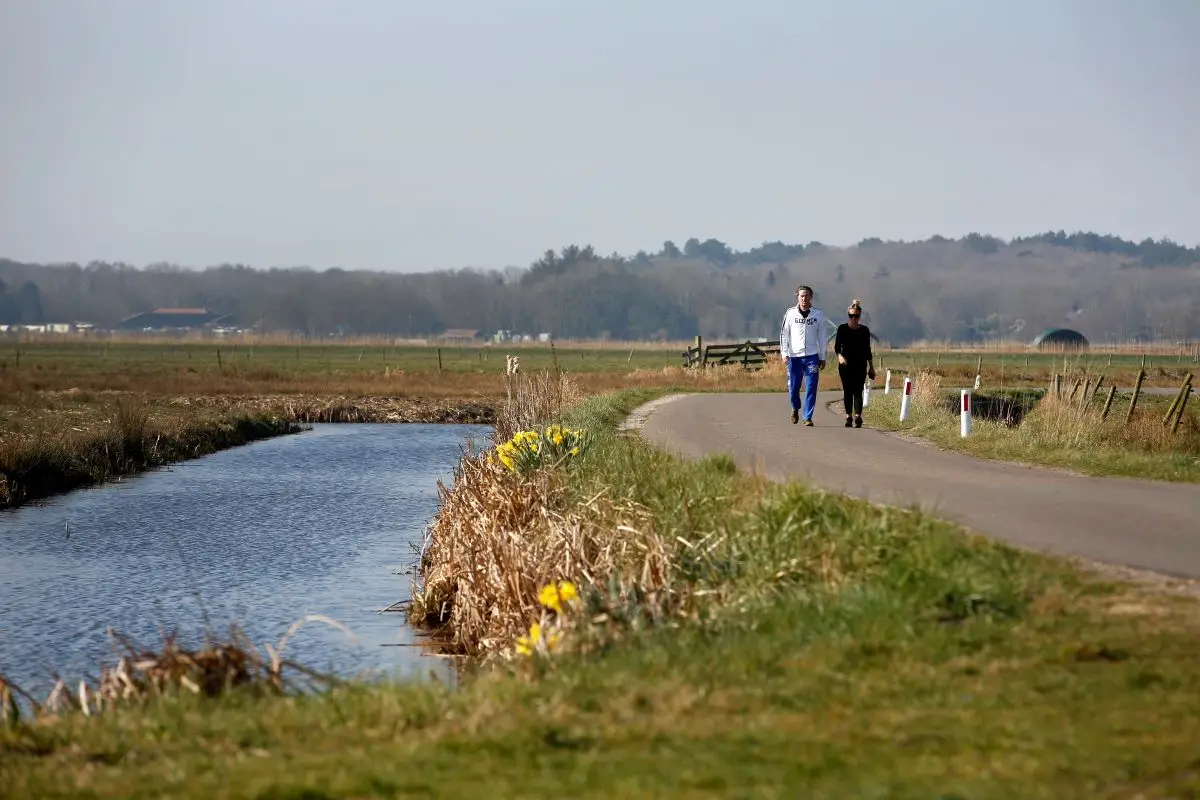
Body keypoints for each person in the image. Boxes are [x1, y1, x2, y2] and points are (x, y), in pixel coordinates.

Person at [779, 285, 827, 426]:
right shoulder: (790, 313)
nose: (804, 298)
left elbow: (822, 336)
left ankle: (807, 417)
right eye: (801, 296)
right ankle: (795, 408)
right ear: (797, 297)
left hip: (812, 356)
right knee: (794, 388)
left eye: (807, 296)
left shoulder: (818, 314)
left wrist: (822, 356)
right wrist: (784, 353)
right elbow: (784, 334)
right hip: (794, 356)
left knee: (811, 386)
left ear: (811, 297)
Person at [834, 298, 876, 428]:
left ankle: (858, 416)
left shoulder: (864, 330)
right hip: (845, 365)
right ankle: (848, 416)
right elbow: (836, 347)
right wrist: (839, 356)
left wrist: (871, 367)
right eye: (851, 316)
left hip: (860, 364)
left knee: (858, 391)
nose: (853, 318)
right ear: (848, 315)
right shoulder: (842, 329)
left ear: (859, 316)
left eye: (856, 316)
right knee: (848, 391)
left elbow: (868, 349)